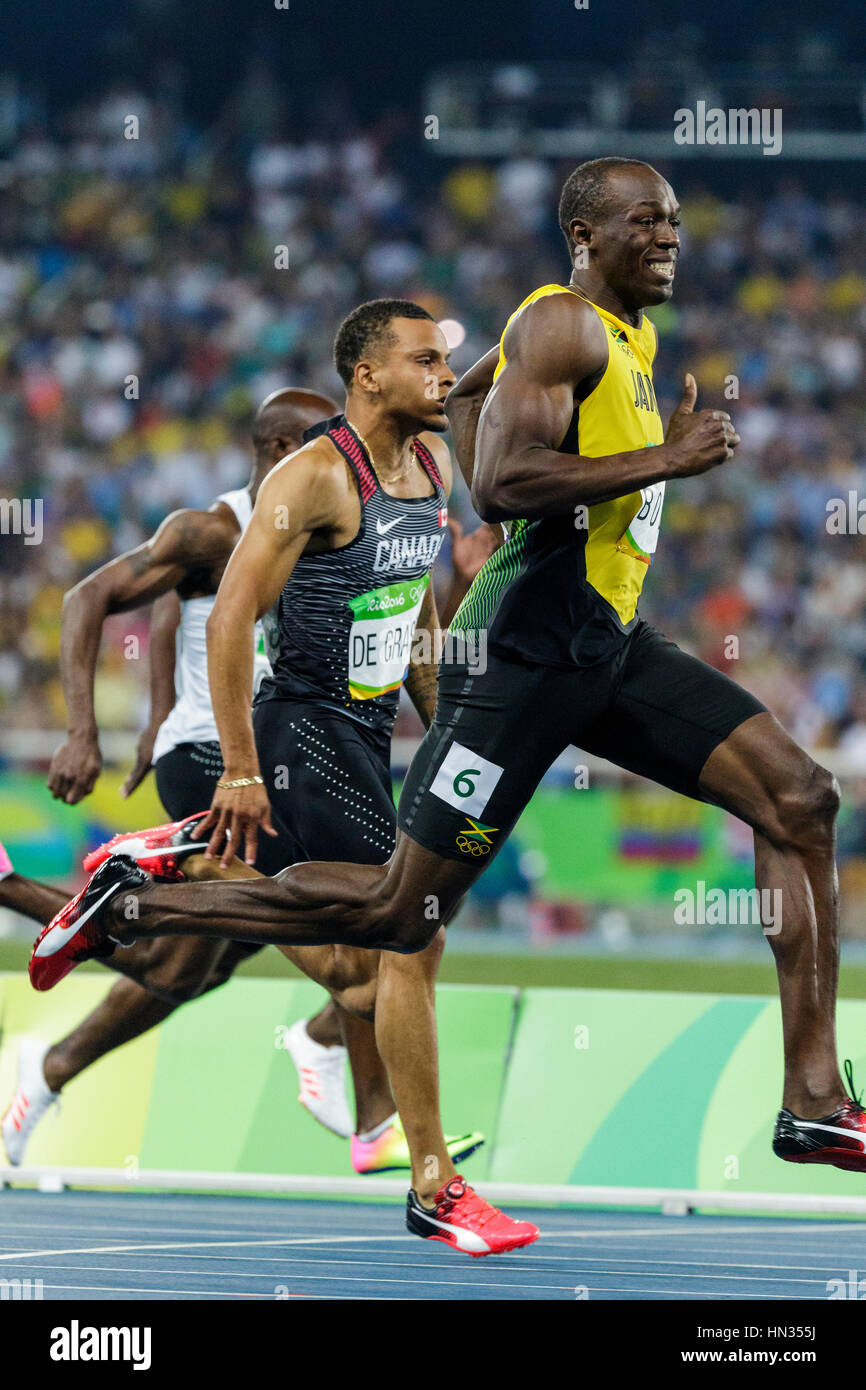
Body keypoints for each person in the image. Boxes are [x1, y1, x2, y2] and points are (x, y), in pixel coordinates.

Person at [53, 156, 861, 1228]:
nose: (667, 236)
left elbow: (473, 404)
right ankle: (138, 900)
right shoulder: (557, 326)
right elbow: (507, 483)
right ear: (584, 233)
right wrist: (662, 457)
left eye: (672, 220)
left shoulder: (617, 338)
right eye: (643, 220)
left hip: (603, 643)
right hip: (522, 655)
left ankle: (809, 1099)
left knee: (799, 800)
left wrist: (556, 443)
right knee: (398, 914)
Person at [5, 383, 484, 1177]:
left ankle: (50, 1056)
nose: (339, 454)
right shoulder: (211, 530)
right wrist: (92, 731)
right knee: (364, 930)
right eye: (317, 442)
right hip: (221, 761)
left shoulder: (341, 515)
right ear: (274, 452)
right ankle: (368, 1113)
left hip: (281, 754)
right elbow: (98, 597)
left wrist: (460, 591)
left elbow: (396, 629)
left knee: (182, 969)